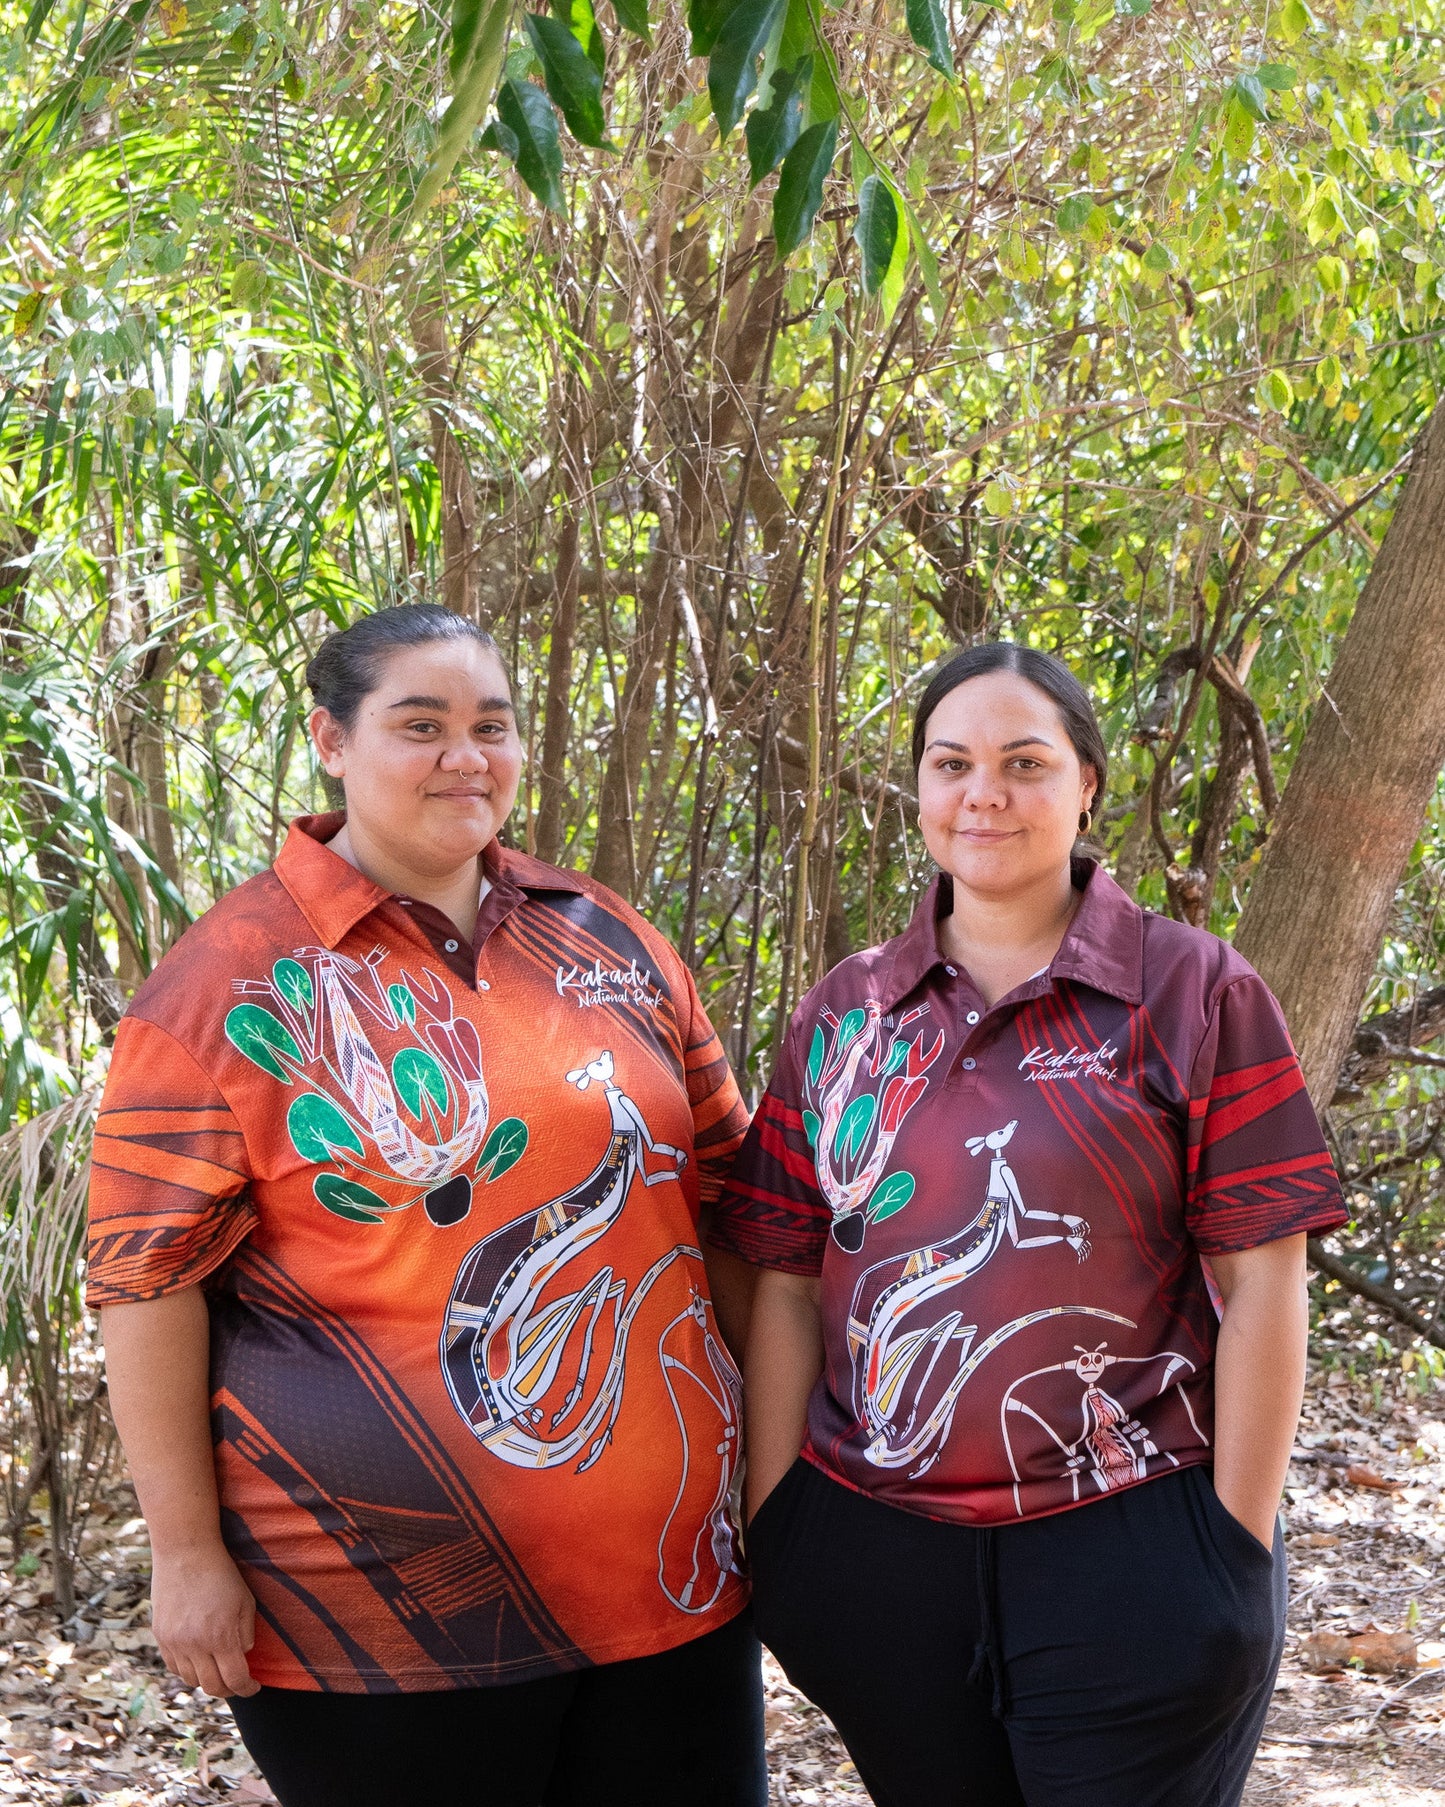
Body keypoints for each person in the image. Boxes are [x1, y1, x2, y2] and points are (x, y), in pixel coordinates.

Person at [88, 605, 766, 1807]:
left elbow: (725, 1213)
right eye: (421, 725)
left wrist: (774, 1479)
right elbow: (147, 1280)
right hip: (377, 1624)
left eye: (489, 726)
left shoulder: (603, 936)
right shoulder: (225, 981)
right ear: (330, 739)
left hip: (670, 1586)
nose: (467, 756)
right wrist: (186, 1556)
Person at [711, 642, 1348, 1807]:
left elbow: (1262, 1282)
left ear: (1086, 782)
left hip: (1129, 1540)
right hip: (875, 1552)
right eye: (950, 763)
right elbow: (786, 1277)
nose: (982, 794)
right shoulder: (846, 1010)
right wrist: (780, 1521)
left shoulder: (1191, 991)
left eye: (1022, 761)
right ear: (917, 787)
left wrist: (1231, 1550)